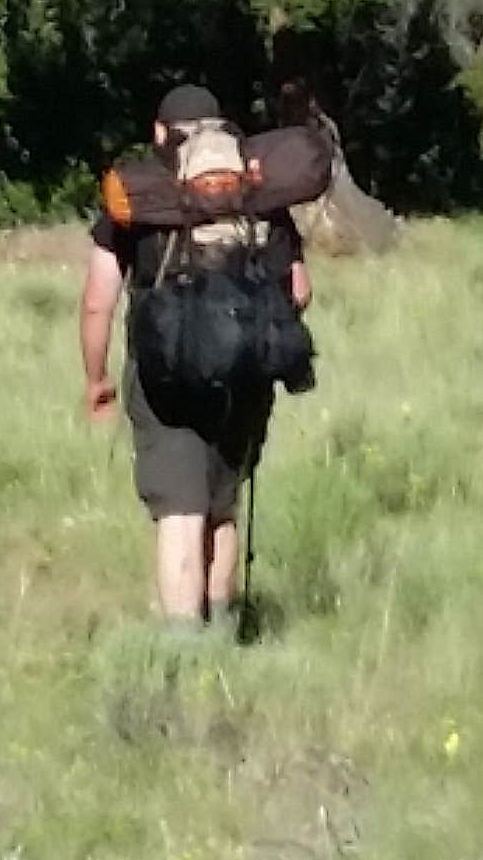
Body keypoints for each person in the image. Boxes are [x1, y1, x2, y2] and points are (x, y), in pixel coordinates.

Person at [79, 81, 311, 634]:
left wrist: (96, 380)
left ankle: (184, 650)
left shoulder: (144, 197)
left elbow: (96, 302)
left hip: (164, 378)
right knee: (221, 504)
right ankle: (225, 631)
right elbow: (298, 290)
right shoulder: (255, 192)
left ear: (161, 133)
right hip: (244, 375)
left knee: (180, 511)